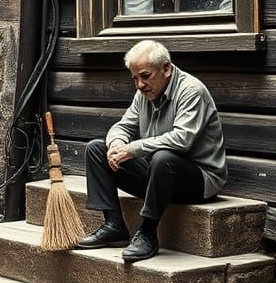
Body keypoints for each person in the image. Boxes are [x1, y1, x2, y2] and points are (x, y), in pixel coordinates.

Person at [78, 39, 227, 262]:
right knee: (97, 149)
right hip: (159, 176)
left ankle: (147, 233)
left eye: (145, 76)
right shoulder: (144, 94)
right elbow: (123, 126)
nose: (139, 85)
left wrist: (133, 148)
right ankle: (114, 226)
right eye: (135, 78)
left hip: (198, 180)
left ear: (166, 68)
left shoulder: (191, 91)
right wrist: (117, 144)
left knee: (163, 158)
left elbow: (182, 139)